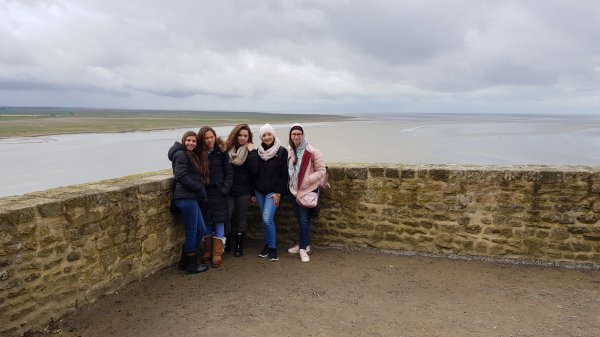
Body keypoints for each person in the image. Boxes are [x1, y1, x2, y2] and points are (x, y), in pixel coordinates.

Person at [167, 131, 209, 274]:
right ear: (184, 141)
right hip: (185, 198)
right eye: (188, 140)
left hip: (190, 197)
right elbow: (180, 175)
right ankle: (191, 265)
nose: (191, 143)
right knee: (192, 231)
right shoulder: (181, 154)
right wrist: (198, 186)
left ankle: (184, 261)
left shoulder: (189, 154)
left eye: (194, 141)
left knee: (202, 230)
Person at [286, 124, 326, 263]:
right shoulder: (289, 150)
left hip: (306, 191)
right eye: (293, 134)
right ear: (290, 136)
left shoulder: (312, 151)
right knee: (301, 219)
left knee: (304, 220)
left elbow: (321, 171)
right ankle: (305, 244)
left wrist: (307, 180)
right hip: (293, 191)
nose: (296, 136)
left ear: (303, 135)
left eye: (299, 134)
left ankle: (303, 248)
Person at [196, 126, 233, 267]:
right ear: (202, 139)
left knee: (219, 221)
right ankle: (207, 251)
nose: (210, 140)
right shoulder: (199, 154)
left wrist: (224, 189)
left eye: (211, 137)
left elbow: (229, 173)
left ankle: (217, 253)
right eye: (206, 138)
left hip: (218, 192)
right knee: (206, 221)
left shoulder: (221, 152)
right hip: (204, 193)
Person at [251, 123, 288, 261]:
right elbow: (253, 173)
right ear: (261, 137)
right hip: (259, 191)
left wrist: (279, 192)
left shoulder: (281, 151)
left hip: (273, 192)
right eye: (264, 135)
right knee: (265, 219)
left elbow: (285, 175)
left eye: (269, 134)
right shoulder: (257, 152)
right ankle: (267, 246)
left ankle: (272, 248)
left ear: (273, 135)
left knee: (267, 219)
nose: (267, 137)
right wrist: (253, 193)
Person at [225, 124, 258, 257]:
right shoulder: (227, 150)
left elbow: (254, 170)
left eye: (245, 136)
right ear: (235, 135)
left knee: (241, 217)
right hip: (229, 189)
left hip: (244, 190)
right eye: (240, 135)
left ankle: (239, 244)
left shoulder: (250, 151)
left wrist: (251, 152)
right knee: (227, 215)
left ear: (249, 138)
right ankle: (227, 242)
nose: (242, 138)